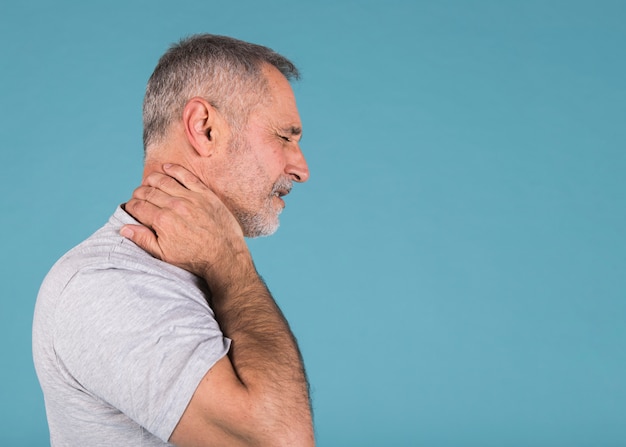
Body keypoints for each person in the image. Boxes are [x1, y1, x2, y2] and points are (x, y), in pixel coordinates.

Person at [33, 34, 314, 447]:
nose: (301, 168)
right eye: (284, 137)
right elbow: (278, 442)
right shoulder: (109, 284)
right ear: (205, 128)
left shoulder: (191, 267)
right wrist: (232, 263)